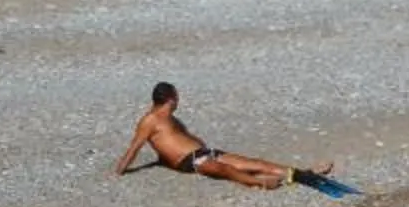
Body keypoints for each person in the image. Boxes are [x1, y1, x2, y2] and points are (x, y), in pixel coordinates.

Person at [114, 82, 330, 191]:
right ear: (171, 100)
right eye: (177, 98)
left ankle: (301, 175)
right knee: (229, 171)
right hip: (193, 162)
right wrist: (120, 171)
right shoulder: (149, 120)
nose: (179, 101)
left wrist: (163, 161)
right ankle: (263, 184)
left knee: (254, 162)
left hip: (206, 153)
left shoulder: (172, 118)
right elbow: (135, 147)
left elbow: (167, 144)